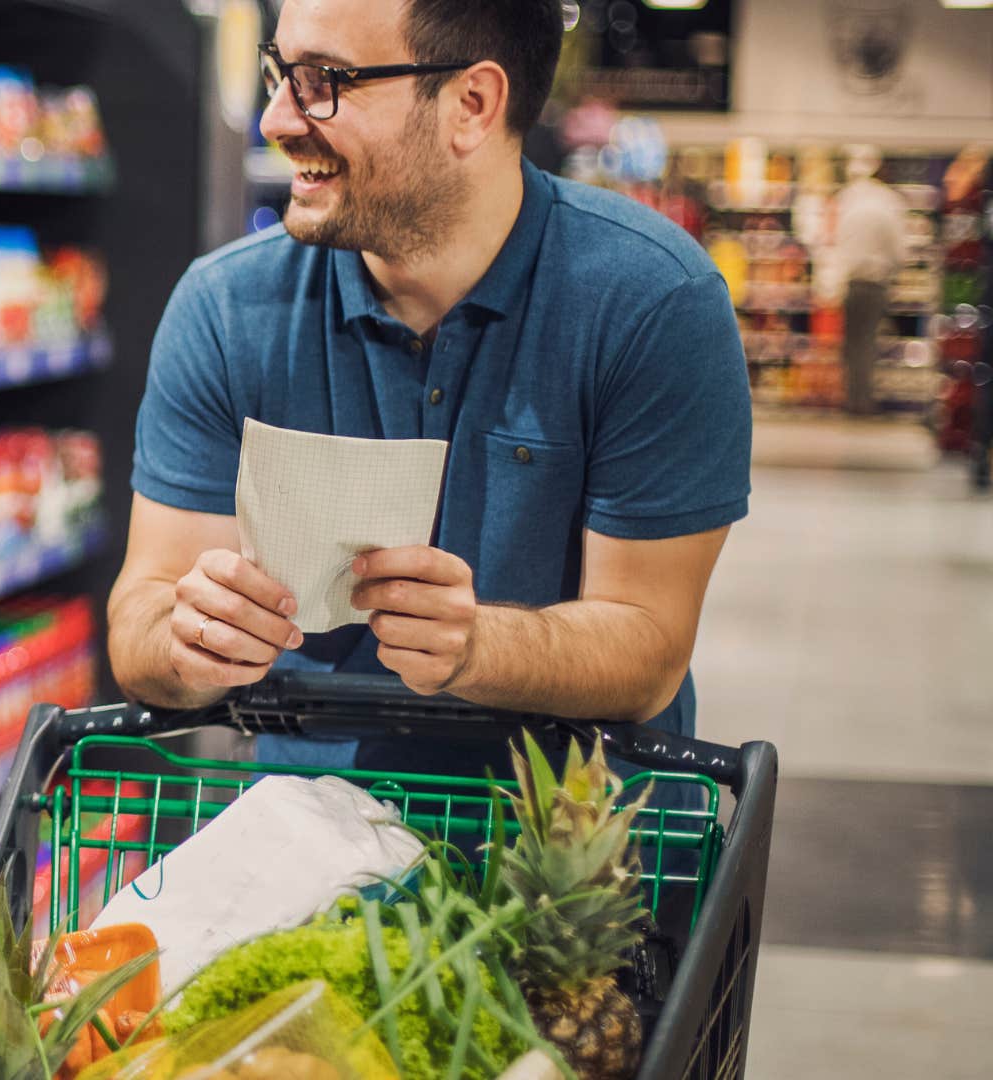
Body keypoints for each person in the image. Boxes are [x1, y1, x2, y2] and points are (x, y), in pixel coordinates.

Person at [106, 0, 753, 776]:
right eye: (281, 74)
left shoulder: (651, 303)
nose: (276, 118)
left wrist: (477, 644)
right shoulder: (226, 307)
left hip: (577, 862)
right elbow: (139, 617)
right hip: (305, 856)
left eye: (322, 82)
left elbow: (649, 646)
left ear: (470, 106)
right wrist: (186, 635)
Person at [833, 144, 908, 417]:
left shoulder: (846, 198)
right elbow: (899, 249)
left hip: (852, 282)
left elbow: (836, 243)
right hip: (876, 282)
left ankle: (853, 398)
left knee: (853, 344)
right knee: (867, 342)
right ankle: (863, 401)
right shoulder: (889, 202)